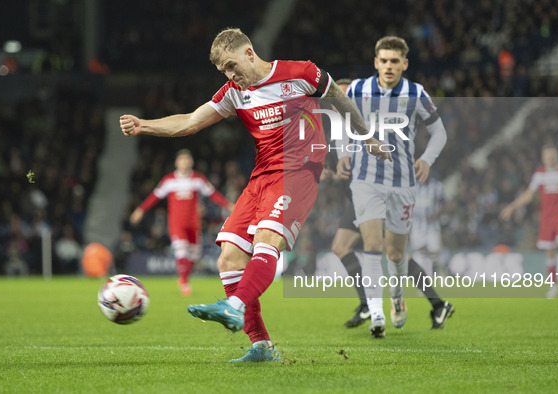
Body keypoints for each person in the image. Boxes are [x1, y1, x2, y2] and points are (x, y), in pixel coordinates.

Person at [120, 28, 390, 362]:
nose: (231, 75)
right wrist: (143, 125)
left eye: (232, 66)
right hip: (260, 178)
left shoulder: (302, 73)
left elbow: (338, 98)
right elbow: (190, 122)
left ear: (249, 53)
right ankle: (261, 345)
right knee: (228, 257)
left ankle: (234, 306)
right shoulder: (235, 92)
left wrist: (367, 138)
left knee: (266, 239)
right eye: (224, 72)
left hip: (297, 173)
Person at [338, 36, 448, 338]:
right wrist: (344, 153)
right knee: (372, 246)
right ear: (376, 62)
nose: (388, 66)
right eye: (383, 60)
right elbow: (344, 121)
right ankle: (376, 315)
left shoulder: (416, 93)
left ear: (404, 64)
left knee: (396, 254)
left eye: (394, 61)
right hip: (365, 181)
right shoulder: (359, 88)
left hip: (403, 184)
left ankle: (398, 298)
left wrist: (426, 159)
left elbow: (439, 133)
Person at [130, 149, 232, 296]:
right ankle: (184, 283)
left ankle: (184, 277)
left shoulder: (198, 179)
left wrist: (228, 204)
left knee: (194, 255)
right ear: (176, 163)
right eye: (182, 160)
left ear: (191, 162)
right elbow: (154, 196)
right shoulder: (169, 180)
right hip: (177, 223)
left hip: (194, 223)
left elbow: (213, 194)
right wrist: (140, 210)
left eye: (187, 160)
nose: (184, 162)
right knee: (181, 250)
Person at [500, 144, 558, 298]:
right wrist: (511, 207)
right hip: (546, 219)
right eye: (547, 156)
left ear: (557, 156)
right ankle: (553, 286)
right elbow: (528, 195)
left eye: (552, 155)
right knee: (550, 253)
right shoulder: (540, 175)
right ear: (543, 158)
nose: (550, 159)